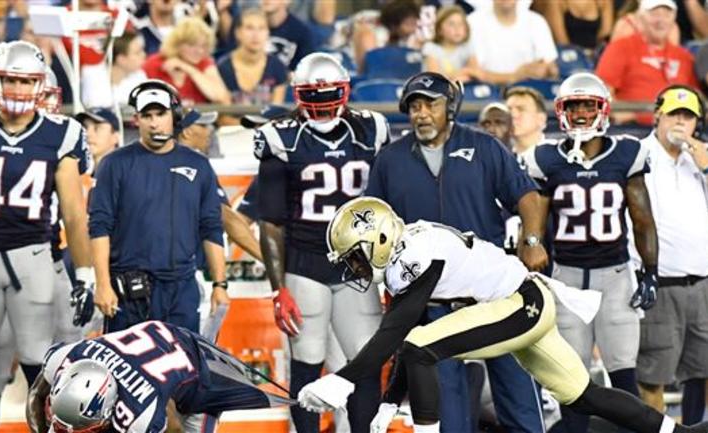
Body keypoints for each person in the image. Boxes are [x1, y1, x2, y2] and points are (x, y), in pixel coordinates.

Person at [297, 196, 708, 433]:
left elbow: (400, 332)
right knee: (582, 396)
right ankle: (679, 432)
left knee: (421, 346)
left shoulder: (417, 253)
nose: (354, 269)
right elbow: (405, 333)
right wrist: (388, 403)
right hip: (523, 303)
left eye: (354, 258)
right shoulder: (407, 247)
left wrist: (342, 379)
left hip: (519, 305)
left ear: (381, 238)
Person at [364, 71, 546, 433]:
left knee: (520, 400)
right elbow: (374, 227)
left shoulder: (485, 147)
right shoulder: (389, 160)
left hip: (491, 295)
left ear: (451, 106)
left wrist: (532, 240)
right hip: (431, 303)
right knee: (447, 413)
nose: (421, 113)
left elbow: (527, 195)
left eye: (430, 104)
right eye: (414, 106)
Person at [0, 40, 94, 433]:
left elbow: (75, 215)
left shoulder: (60, 133)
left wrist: (86, 275)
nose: (18, 89)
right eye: (10, 79)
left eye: (27, 81)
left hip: (33, 256)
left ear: (41, 86)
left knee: (39, 363)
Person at [254, 52, 390, 433]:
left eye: (328, 95)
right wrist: (278, 288)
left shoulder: (371, 129)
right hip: (306, 262)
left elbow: (388, 205)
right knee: (308, 361)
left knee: (364, 361)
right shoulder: (280, 138)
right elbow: (270, 223)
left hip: (358, 264)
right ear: (299, 95)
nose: (323, 105)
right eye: (313, 97)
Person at [521, 72, 659, 433]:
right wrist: (531, 253)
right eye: (573, 105)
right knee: (572, 379)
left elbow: (642, 219)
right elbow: (533, 220)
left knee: (623, 373)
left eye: (588, 105)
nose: (581, 113)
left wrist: (650, 271)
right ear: (561, 110)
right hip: (566, 279)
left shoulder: (627, 153)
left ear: (603, 109)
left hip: (615, 276)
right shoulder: (546, 157)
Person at [89, 79, 229, 334]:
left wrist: (220, 283)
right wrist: (102, 284)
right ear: (137, 120)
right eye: (147, 115)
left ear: (174, 116)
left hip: (181, 288)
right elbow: (99, 227)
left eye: (161, 114)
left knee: (183, 369)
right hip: (128, 289)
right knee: (128, 370)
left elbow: (211, 227)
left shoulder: (199, 165)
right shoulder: (114, 164)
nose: (154, 123)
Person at [26, 320, 294, 433]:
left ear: (108, 414)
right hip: (151, 340)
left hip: (198, 369)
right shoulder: (69, 356)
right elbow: (37, 394)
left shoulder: (140, 416)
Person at [634, 85, 708, 425]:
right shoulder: (637, 154)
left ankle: (695, 428)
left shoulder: (701, 160)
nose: (680, 123)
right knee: (653, 374)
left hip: (703, 282)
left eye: (688, 116)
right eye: (674, 114)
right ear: (657, 115)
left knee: (703, 370)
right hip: (659, 282)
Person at [177, 108, 262, 261]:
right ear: (187, 132)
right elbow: (227, 218)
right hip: (185, 265)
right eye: (203, 126)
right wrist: (269, 261)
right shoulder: (193, 165)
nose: (210, 130)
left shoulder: (152, 162)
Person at [596, 0, 699, 124]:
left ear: (673, 20)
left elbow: (696, 96)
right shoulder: (621, 48)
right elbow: (601, 90)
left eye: (667, 14)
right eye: (654, 14)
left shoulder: (684, 56)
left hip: (677, 129)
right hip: (634, 129)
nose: (661, 20)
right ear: (640, 19)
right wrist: (618, 111)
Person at [143, 16, 231, 106]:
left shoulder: (204, 63)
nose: (200, 51)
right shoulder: (154, 63)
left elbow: (221, 97)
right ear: (177, 43)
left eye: (203, 45)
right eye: (192, 45)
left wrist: (189, 69)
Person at [466, 0, 559, 85]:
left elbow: (551, 66)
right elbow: (473, 72)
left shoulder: (537, 21)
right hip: (486, 94)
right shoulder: (473, 22)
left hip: (529, 90)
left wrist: (544, 70)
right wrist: (514, 76)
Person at [217, 8, 287, 106]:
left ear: (268, 33)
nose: (256, 35)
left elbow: (277, 112)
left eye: (261, 28)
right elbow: (223, 116)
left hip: (268, 121)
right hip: (233, 121)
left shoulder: (277, 66)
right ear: (238, 33)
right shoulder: (223, 67)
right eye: (249, 28)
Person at [423, 5, 479, 83]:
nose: (457, 28)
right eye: (451, 24)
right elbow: (435, 78)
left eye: (461, 24)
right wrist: (464, 72)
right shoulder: (431, 47)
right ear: (439, 29)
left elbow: (475, 73)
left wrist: (464, 74)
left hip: (461, 91)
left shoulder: (467, 47)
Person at [543, 0, 613, 52]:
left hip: (596, 55)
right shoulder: (556, 2)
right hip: (568, 56)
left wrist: (594, 53)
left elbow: (605, 34)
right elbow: (562, 42)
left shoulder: (604, 2)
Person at [505, 85, 548, 155]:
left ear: (541, 119)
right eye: (508, 110)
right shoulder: (499, 159)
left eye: (521, 109)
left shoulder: (561, 156)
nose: (513, 115)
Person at [110, 31, 148, 108]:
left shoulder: (140, 75)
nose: (144, 55)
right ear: (121, 59)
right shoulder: (94, 77)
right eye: (137, 53)